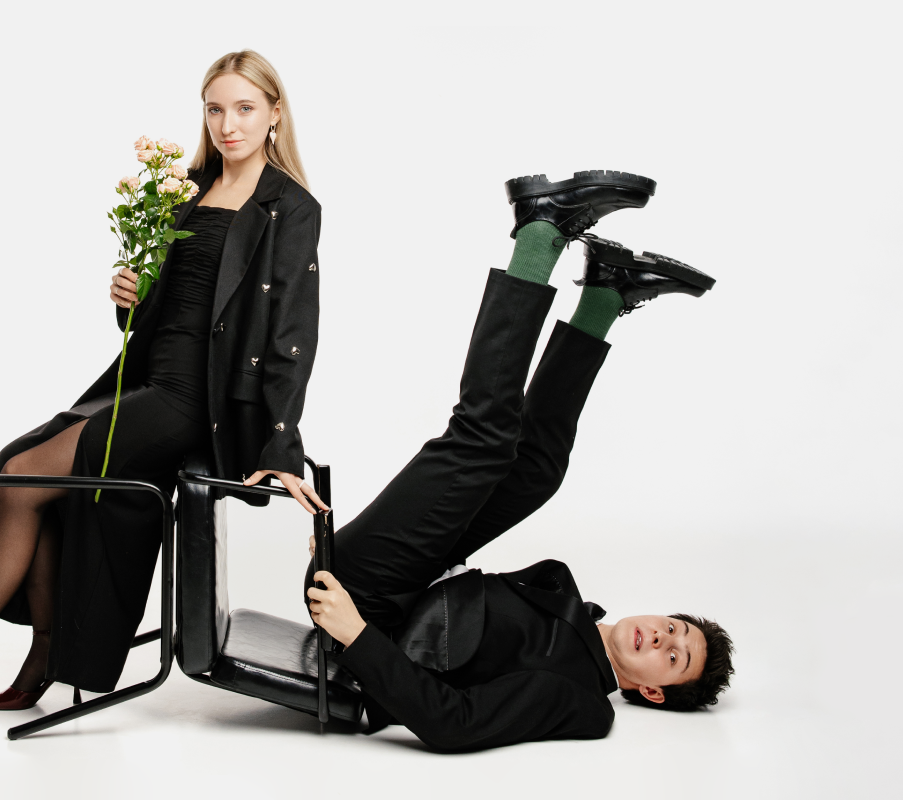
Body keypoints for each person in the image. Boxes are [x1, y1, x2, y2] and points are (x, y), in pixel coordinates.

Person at [0, 50, 328, 724]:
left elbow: (292, 333)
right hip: (145, 378)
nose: (228, 124)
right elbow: (160, 308)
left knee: (25, 477)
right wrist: (130, 294)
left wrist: (281, 444)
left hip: (196, 402)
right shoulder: (185, 186)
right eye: (215, 109)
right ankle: (44, 657)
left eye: (244, 108)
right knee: (14, 463)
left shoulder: (289, 207)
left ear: (274, 113)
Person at [304, 170, 735, 751]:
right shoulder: (572, 606)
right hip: (395, 580)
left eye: (674, 657)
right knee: (537, 473)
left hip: (360, 614)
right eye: (674, 627)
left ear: (653, 692)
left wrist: (356, 634)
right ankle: (607, 293)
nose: (662, 637)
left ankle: (539, 230)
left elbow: (455, 723)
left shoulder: (581, 700)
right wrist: (388, 534)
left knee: (482, 441)